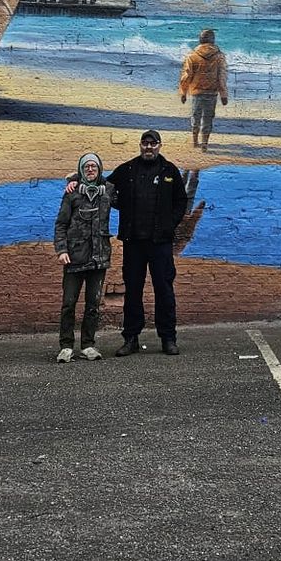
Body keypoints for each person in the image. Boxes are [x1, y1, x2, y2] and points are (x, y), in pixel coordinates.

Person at [106, 129, 191, 356]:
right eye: (145, 143)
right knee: (133, 291)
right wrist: (77, 181)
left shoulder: (169, 170)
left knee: (164, 290)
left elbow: (181, 201)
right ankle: (131, 338)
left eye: (153, 144)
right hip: (133, 241)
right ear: (140, 145)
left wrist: (169, 224)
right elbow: (105, 187)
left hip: (160, 243)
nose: (149, 147)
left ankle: (168, 338)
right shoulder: (127, 169)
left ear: (160, 146)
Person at [53, 152, 112, 363]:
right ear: (81, 169)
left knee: (93, 305)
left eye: (93, 166)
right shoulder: (72, 193)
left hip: (98, 258)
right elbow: (61, 224)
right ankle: (66, 346)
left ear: (99, 169)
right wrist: (61, 250)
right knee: (69, 303)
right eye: (86, 166)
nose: (90, 170)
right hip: (74, 258)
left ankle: (88, 345)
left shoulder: (108, 191)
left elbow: (126, 196)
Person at [179, 28, 229, 151]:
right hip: (211, 93)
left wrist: (183, 92)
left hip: (196, 92)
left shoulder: (192, 56)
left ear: (200, 40)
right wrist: (223, 94)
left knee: (195, 116)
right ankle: (205, 143)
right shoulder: (220, 56)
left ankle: (195, 141)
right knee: (208, 118)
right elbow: (221, 77)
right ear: (213, 40)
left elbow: (187, 76)